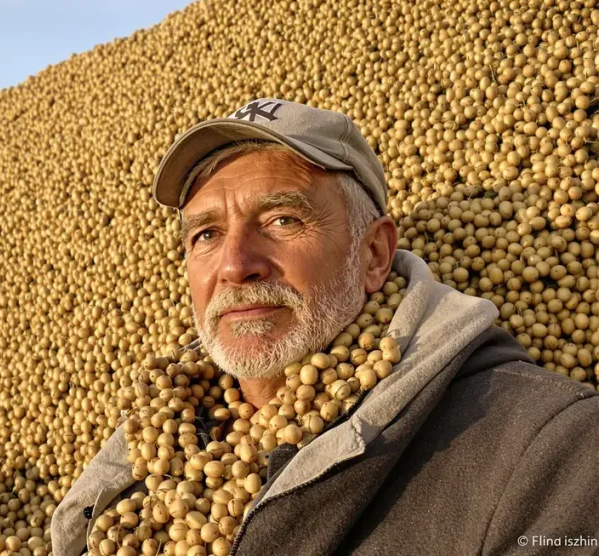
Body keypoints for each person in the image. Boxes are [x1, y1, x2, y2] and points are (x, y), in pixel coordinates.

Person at [51, 99, 599, 554]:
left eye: (282, 219)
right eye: (207, 235)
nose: (236, 265)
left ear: (374, 254)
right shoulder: (149, 440)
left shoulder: (547, 451)